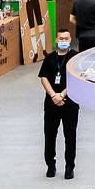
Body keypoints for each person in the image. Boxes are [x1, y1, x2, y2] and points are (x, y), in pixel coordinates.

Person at [37, 31, 78, 180]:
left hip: (70, 103)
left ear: (70, 39)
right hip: (51, 104)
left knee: (70, 136)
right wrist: (53, 95)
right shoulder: (49, 58)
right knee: (50, 135)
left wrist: (62, 94)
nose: (64, 41)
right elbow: (44, 78)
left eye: (66, 39)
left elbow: (77, 78)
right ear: (56, 40)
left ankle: (69, 167)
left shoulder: (75, 57)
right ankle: (50, 165)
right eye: (61, 39)